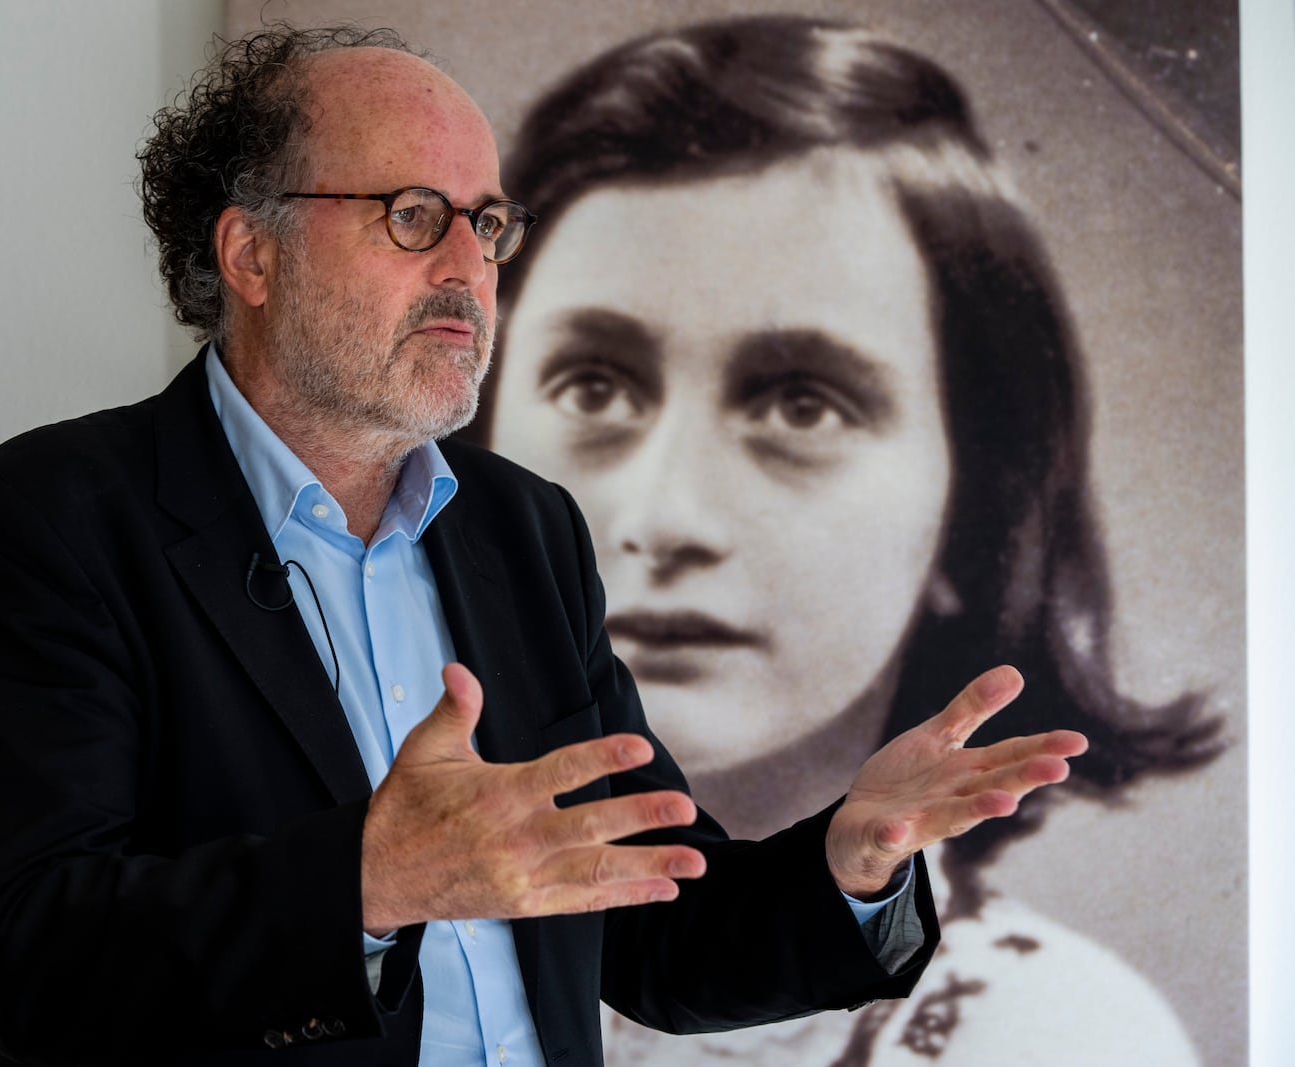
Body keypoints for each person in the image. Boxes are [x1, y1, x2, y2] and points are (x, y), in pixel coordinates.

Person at [0, 23, 1089, 1067]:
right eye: (412, 215)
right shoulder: (52, 517)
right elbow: (36, 958)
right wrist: (370, 882)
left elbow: (652, 927)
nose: (466, 269)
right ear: (251, 254)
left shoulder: (523, 530)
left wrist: (851, 854)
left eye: (485, 222)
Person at [464, 16, 1222, 1066]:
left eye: (800, 405)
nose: (665, 515)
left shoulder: (1045, 1034)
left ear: (974, 516)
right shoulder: (354, 922)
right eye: (592, 386)